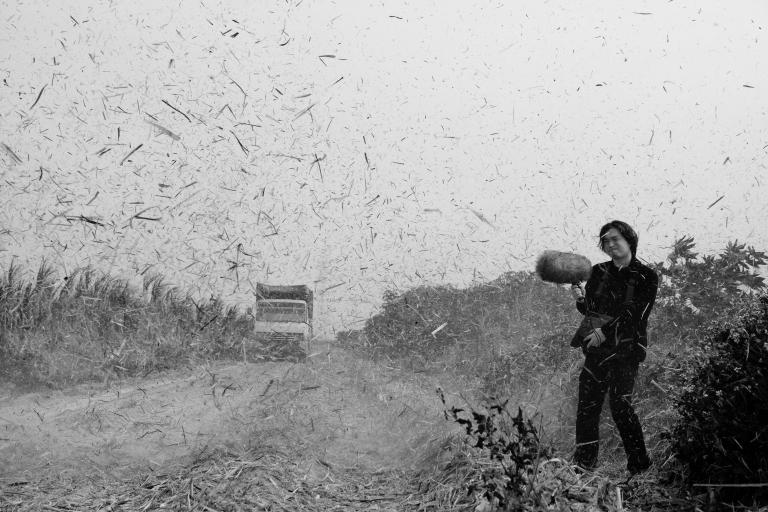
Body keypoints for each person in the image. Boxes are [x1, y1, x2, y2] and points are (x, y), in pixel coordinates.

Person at [569, 220, 659, 475]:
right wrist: (579, 299)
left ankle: (640, 467)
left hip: (626, 353)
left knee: (621, 407)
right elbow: (594, 310)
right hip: (596, 352)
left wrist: (604, 332)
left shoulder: (646, 276)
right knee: (587, 408)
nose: (610, 244)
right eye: (605, 241)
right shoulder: (598, 271)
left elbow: (636, 314)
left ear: (629, 239)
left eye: (615, 239)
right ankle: (583, 467)